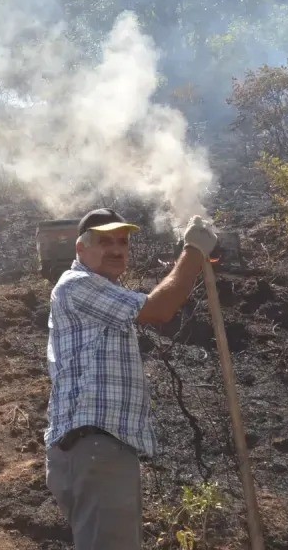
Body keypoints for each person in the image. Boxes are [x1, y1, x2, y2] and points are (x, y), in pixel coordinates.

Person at [43, 207, 218, 550]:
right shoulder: (78, 285)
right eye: (104, 241)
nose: (117, 249)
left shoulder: (104, 295)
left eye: (122, 242)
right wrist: (195, 250)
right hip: (97, 447)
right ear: (80, 249)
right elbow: (159, 308)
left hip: (96, 450)